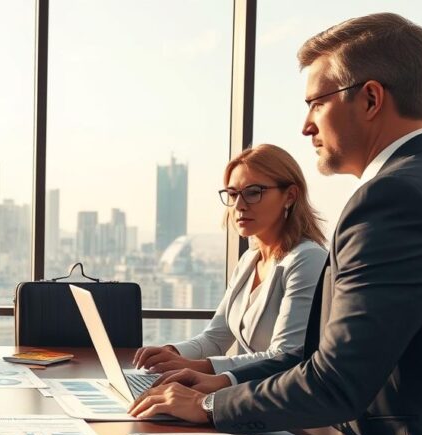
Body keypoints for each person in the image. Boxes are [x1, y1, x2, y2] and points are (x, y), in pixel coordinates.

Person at [129, 13, 422, 435]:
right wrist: (220, 381)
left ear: (370, 98)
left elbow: (338, 382)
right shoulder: (415, 183)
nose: (306, 126)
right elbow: (322, 356)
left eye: (316, 103)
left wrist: (209, 404)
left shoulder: (390, 199)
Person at [133, 144, 327, 375]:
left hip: (284, 402)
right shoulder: (249, 260)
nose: (239, 205)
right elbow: (215, 338)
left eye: (254, 192)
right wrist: (171, 352)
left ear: (290, 196)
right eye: (233, 194)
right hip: (249, 392)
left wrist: (196, 368)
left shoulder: (307, 259)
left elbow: (285, 356)